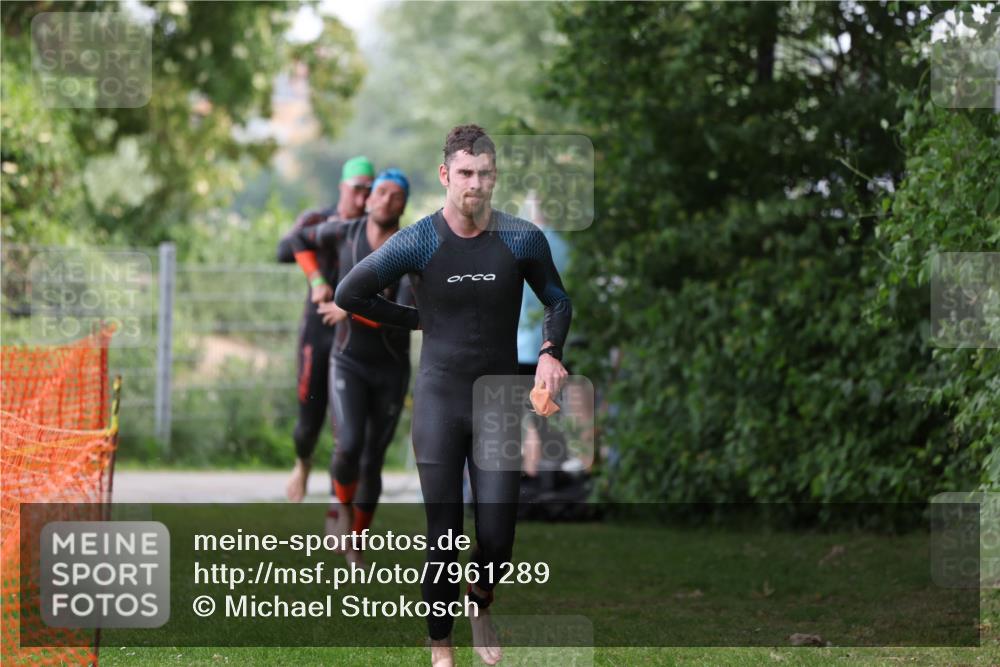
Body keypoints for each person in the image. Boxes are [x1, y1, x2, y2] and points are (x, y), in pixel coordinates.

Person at [335, 125, 572, 667]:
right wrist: (416, 320)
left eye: (485, 174)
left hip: (498, 404)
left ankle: (480, 600)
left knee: (498, 539)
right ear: (445, 175)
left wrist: (550, 352)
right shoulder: (419, 240)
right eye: (465, 173)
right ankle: (440, 646)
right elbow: (350, 292)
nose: (475, 184)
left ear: (495, 176)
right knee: (442, 536)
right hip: (440, 402)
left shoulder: (521, 238)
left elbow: (557, 300)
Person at [288, 169, 414, 567]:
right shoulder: (346, 231)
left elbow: (407, 316)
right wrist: (316, 279)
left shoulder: (411, 246)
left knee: (372, 459)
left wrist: (352, 307)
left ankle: (356, 542)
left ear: (404, 205)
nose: (386, 200)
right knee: (347, 446)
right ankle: (340, 506)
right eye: (381, 192)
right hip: (348, 360)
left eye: (396, 195)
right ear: (370, 197)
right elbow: (297, 239)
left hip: (391, 368)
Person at [277, 155, 374, 503]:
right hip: (317, 330)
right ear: (342, 187)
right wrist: (316, 277)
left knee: (346, 428)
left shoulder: (373, 227)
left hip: (354, 334)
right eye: (357, 189)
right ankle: (303, 462)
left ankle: (338, 504)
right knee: (308, 422)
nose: (362, 198)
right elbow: (283, 249)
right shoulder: (319, 220)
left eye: (369, 191)